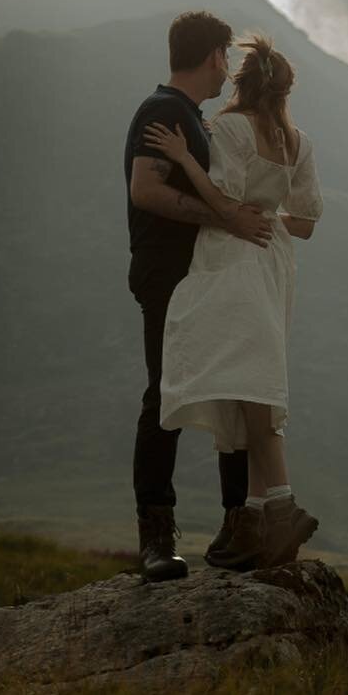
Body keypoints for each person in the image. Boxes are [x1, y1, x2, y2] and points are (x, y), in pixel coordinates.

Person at [145, 31, 325, 572]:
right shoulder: (298, 143)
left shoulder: (228, 128)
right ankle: (251, 513)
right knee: (252, 377)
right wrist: (270, 216)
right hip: (273, 261)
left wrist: (184, 157)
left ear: (242, 83)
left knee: (244, 379)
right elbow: (308, 223)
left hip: (233, 255)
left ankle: (277, 506)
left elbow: (221, 199)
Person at [125, 12, 277, 583]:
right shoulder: (163, 111)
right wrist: (224, 219)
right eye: (226, 59)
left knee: (231, 387)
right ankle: (156, 540)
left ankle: (236, 528)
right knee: (165, 395)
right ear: (214, 55)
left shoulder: (190, 116)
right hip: (169, 274)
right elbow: (145, 189)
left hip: (202, 274)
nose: (228, 71)